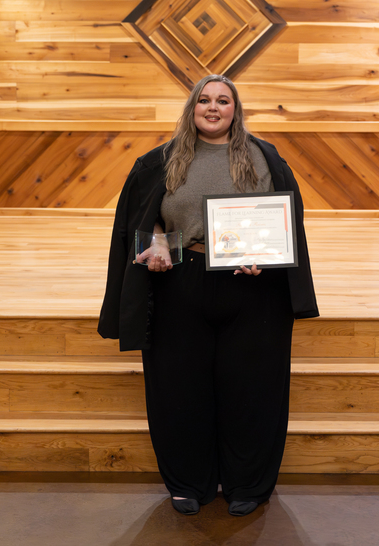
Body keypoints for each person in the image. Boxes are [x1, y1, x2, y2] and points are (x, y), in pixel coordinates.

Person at [98, 75, 318, 517]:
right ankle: (188, 482)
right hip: (181, 282)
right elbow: (141, 221)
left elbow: (284, 221)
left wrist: (268, 257)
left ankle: (247, 484)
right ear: (192, 108)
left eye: (223, 100)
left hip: (253, 288)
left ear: (236, 110)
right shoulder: (159, 161)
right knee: (179, 389)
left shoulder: (265, 157)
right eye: (204, 100)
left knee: (252, 390)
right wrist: (158, 245)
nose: (213, 107)